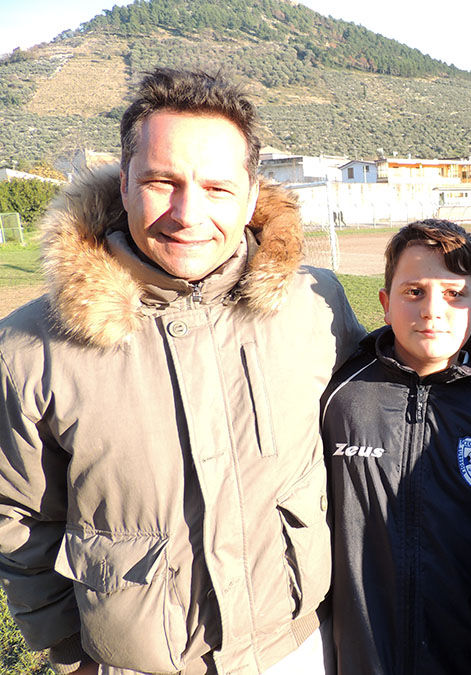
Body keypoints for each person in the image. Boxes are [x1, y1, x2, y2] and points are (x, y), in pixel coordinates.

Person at [0, 68, 365, 675]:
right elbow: (19, 519)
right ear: (123, 183)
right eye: (161, 181)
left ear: (251, 196)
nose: (187, 214)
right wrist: (68, 652)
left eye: (217, 188)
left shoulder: (314, 304)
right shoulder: (29, 346)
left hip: (297, 649)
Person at [320, 219, 471, 675]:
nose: (432, 310)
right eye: (414, 291)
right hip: (362, 655)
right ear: (385, 304)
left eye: (454, 294)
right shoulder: (343, 398)